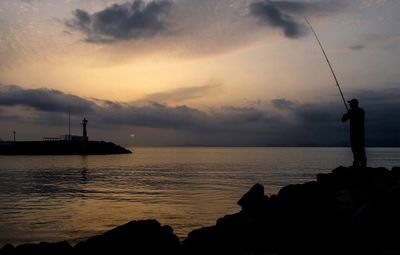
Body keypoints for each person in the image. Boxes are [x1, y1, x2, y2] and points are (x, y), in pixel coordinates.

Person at [342, 98, 367, 167]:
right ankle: (360, 164)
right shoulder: (361, 111)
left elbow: (343, 120)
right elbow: (344, 119)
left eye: (350, 103)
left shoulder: (352, 112)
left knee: (356, 148)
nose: (349, 105)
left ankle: (358, 163)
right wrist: (348, 115)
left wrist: (346, 115)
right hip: (360, 133)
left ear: (354, 104)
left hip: (355, 134)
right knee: (359, 148)